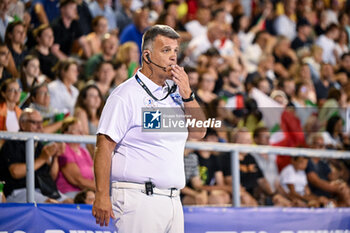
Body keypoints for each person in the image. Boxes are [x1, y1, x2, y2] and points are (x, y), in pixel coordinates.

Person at [92, 25, 206, 231]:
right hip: (138, 199)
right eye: (166, 51)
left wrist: (188, 93)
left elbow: (199, 132)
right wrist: (101, 194)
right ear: (147, 55)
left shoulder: (178, 93)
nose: (173, 57)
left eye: (175, 51)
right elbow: (103, 146)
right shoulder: (125, 95)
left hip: (173, 200)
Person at [0, 108, 72, 203]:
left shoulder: (39, 145)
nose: (40, 127)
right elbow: (15, 172)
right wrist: (42, 159)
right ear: (23, 125)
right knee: (51, 204)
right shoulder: (12, 143)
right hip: (18, 190)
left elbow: (52, 176)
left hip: (43, 190)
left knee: (69, 203)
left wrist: (55, 157)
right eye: (34, 122)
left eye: (41, 122)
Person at [56, 117, 95, 198]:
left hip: (87, 192)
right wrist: (103, 189)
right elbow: (78, 180)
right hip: (71, 193)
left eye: (81, 129)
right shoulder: (64, 150)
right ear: (66, 133)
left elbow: (94, 173)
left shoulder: (84, 151)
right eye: (77, 130)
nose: (81, 132)